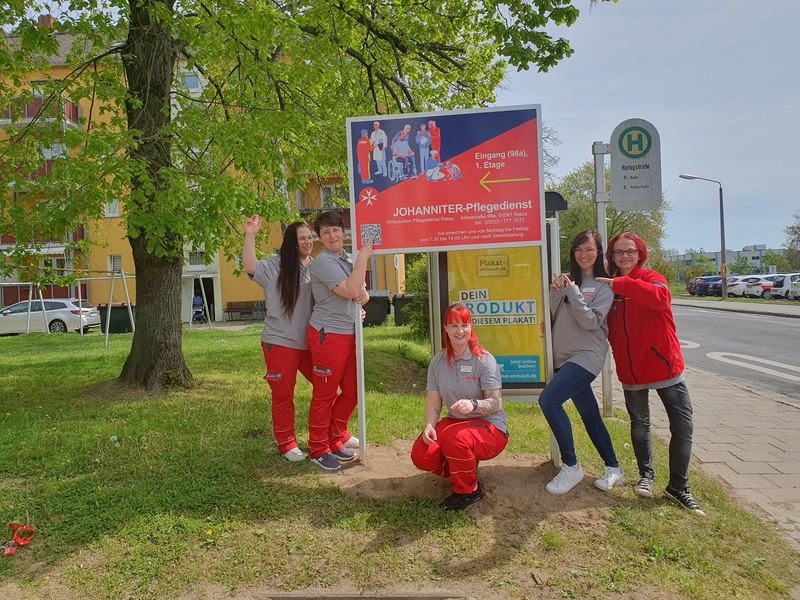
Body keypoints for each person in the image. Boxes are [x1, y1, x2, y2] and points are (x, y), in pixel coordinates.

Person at [597, 232, 705, 516]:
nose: (624, 256)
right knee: (639, 423)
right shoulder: (608, 287)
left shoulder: (651, 278)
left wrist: (622, 283)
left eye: (630, 251)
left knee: (682, 426)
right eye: (619, 252)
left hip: (664, 366)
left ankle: (678, 487)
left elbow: (660, 299)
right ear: (612, 256)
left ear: (640, 254)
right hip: (631, 369)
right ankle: (646, 476)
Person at [540, 231, 622, 495]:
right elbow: (551, 318)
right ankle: (614, 468)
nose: (583, 255)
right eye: (578, 250)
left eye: (589, 250)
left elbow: (591, 322)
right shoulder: (564, 280)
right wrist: (555, 294)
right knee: (589, 414)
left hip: (586, 355)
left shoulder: (604, 285)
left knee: (549, 400)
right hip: (561, 354)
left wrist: (573, 293)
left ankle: (571, 466)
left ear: (598, 253)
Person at [411, 303, 508, 510]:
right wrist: (429, 426)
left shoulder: (484, 360)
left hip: (490, 428)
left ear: (471, 327)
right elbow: (434, 402)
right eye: (454, 325)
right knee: (421, 455)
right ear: (445, 328)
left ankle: (468, 492)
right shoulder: (437, 362)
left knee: (454, 438)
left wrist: (474, 404)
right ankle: (464, 467)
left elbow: (496, 404)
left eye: (464, 325)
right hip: (455, 425)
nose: (460, 331)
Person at [243, 216, 314, 462]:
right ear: (291, 243)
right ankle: (286, 443)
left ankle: (332, 434)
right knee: (283, 396)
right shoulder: (275, 267)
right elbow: (250, 266)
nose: (307, 242)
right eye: (301, 238)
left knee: (327, 388)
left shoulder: (316, 268)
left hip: (310, 343)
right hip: (280, 341)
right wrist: (250, 235)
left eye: (309, 237)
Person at [306, 211, 372, 471]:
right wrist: (363, 262)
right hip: (327, 334)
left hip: (348, 331)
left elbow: (362, 293)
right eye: (325, 232)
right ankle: (318, 448)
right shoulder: (322, 262)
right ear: (319, 237)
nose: (332, 236)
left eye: (335, 230)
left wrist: (360, 296)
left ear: (343, 231)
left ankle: (335, 438)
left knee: (353, 390)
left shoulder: (345, 259)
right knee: (325, 393)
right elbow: (350, 290)